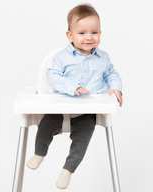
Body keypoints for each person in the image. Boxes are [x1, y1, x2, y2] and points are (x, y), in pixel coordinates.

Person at [26, 3, 123, 189]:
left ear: (100, 34)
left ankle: (68, 170)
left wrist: (116, 88)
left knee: (83, 139)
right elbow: (52, 75)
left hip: (88, 109)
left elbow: (112, 74)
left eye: (94, 33)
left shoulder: (103, 58)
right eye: (82, 33)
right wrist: (73, 87)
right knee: (46, 125)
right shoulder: (62, 57)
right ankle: (40, 153)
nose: (89, 37)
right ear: (70, 35)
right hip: (62, 105)